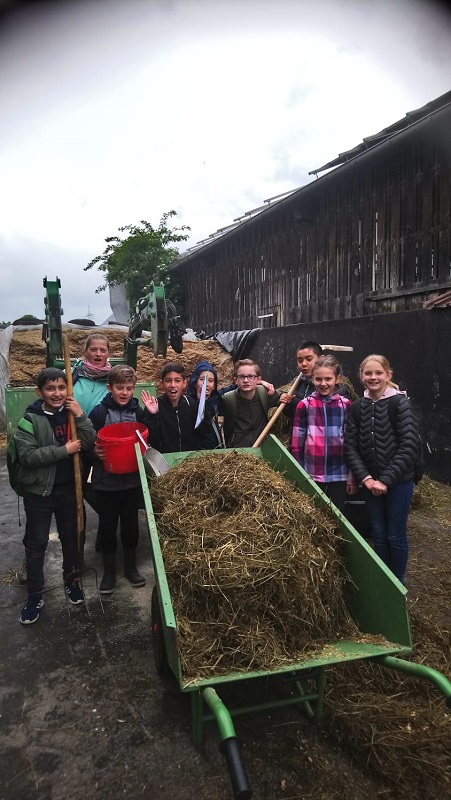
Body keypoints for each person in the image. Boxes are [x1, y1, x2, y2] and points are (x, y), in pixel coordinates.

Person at [15, 368, 97, 625]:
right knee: (37, 543)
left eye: (61, 387)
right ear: (39, 392)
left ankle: (71, 581)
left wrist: (80, 415)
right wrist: (64, 450)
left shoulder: (71, 414)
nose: (57, 393)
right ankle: (34, 596)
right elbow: (28, 456)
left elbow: (90, 441)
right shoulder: (30, 419)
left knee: (70, 538)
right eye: (50, 388)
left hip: (69, 490)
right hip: (39, 493)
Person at [344, 354, 420, 584]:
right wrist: (366, 479)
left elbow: (409, 446)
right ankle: (382, 582)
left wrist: (385, 480)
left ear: (388, 375)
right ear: (361, 377)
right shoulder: (357, 408)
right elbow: (351, 447)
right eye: (368, 373)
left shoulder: (400, 404)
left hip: (399, 482)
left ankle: (397, 583)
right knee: (378, 533)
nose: (373, 377)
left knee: (395, 534)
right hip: (370, 483)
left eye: (378, 373)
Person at [89, 365, 149, 594]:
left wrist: (152, 417)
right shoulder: (99, 413)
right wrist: (94, 452)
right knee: (107, 527)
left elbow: (147, 439)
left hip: (132, 481)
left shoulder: (138, 412)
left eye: (129, 388)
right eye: (119, 388)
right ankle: (109, 572)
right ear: (109, 388)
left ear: (134, 389)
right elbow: (88, 442)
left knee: (131, 526)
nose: (124, 393)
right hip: (106, 483)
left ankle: (131, 567)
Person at [290, 355, 356, 512]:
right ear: (313, 379)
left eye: (328, 379)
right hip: (312, 473)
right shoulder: (305, 405)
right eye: (318, 379)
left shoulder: (346, 405)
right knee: (313, 514)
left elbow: (352, 442)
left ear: (337, 379)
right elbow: (297, 443)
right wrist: (299, 473)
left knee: (337, 514)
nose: (323, 383)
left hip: (339, 473)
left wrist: (352, 476)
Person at [281, 341, 351, 448]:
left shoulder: (338, 391)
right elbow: (294, 417)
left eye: (309, 359)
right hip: (303, 446)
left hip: (332, 447)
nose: (304, 364)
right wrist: (286, 403)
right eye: (300, 361)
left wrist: (296, 402)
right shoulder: (297, 385)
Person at [220, 359, 281, 447]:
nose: (246, 380)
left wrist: (283, 397)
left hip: (262, 448)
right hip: (237, 450)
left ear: (258, 379)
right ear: (236, 380)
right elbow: (210, 402)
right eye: (241, 377)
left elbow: (284, 398)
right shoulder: (228, 399)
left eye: (250, 376)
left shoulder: (265, 393)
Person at [142, 361, 198, 453]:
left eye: (177, 380)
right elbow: (153, 441)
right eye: (168, 380)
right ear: (161, 384)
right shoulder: (155, 406)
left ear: (184, 384)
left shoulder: (190, 403)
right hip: (165, 458)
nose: (172, 385)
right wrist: (153, 416)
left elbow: (199, 433)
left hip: (189, 457)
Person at [186, 361, 225, 449]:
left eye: (210, 381)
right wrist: (200, 402)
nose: (206, 384)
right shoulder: (187, 403)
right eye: (202, 379)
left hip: (215, 450)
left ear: (214, 386)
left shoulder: (216, 401)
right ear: (195, 382)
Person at [72, 333, 112, 415]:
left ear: (108, 353)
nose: (98, 354)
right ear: (86, 351)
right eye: (93, 350)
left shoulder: (114, 379)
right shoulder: (70, 374)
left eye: (103, 350)